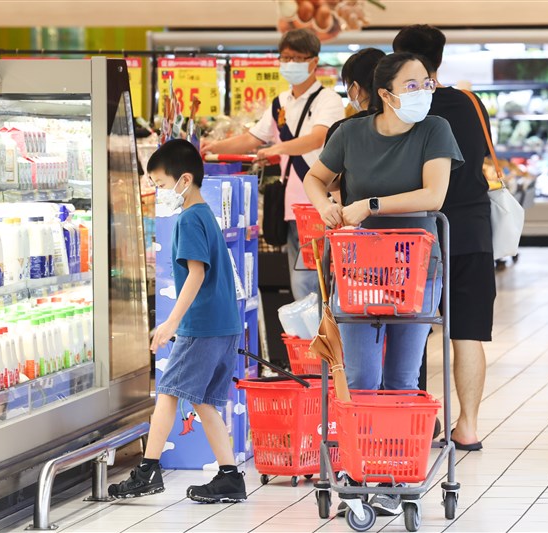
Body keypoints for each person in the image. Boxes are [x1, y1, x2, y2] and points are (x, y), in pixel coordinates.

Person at [303, 53, 463, 515]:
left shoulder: (435, 130)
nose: (424, 91)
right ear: (387, 94)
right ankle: (360, 471)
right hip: (359, 270)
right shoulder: (351, 134)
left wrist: (369, 204)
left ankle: (394, 475)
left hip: (416, 270)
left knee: (401, 377)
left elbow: (434, 195)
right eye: (413, 85)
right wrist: (325, 205)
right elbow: (316, 177)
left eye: (427, 83)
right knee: (360, 378)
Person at [108, 140, 246, 504]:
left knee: (168, 391)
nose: (159, 193)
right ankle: (230, 476)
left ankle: (148, 471)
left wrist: (171, 322)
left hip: (201, 327)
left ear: (184, 180)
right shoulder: (205, 215)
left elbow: (196, 274)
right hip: (224, 324)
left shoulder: (188, 219)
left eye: (161, 184)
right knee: (203, 402)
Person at [394, 24, 497, 452]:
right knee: (468, 331)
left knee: (411, 328)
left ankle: (417, 422)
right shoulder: (471, 102)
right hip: (472, 229)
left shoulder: (403, 107)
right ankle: (467, 427)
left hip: (416, 234)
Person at [201, 29, 344, 301]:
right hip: (292, 205)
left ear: (313, 61)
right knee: (301, 277)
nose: (289, 64)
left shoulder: (329, 100)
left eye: (296, 58)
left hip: (320, 203)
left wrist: (278, 148)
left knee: (313, 279)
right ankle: (311, 327)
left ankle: (321, 327)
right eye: (285, 58)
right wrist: (213, 147)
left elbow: (318, 138)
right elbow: (252, 138)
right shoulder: (281, 103)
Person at [325, 47, 385, 203]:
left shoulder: (343, 129)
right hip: (407, 213)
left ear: (355, 88)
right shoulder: (407, 122)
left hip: (357, 213)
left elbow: (327, 181)